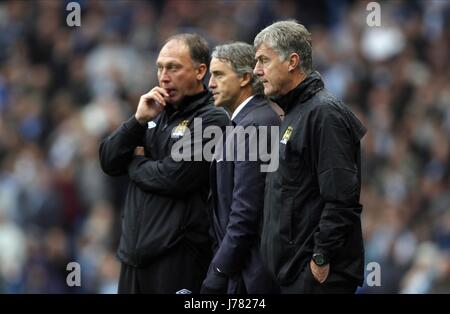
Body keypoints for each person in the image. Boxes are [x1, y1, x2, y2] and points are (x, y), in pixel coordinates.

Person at [99, 33, 229, 294]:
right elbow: (109, 161)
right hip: (133, 257)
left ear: (200, 71)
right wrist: (136, 121)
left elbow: (174, 177)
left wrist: (134, 165)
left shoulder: (212, 119)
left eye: (173, 67)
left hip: (178, 256)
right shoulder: (152, 113)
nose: (164, 75)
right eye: (160, 67)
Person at [253, 20, 367, 294]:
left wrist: (320, 257)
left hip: (316, 278)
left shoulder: (324, 113)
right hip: (293, 276)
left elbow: (341, 198)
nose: (257, 70)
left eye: (263, 60)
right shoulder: (295, 112)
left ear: (292, 61)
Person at [200, 42, 281, 294]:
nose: (210, 84)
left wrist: (218, 272)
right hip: (243, 270)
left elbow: (246, 213)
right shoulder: (242, 123)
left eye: (219, 75)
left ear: (245, 77)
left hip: (253, 275)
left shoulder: (256, 125)